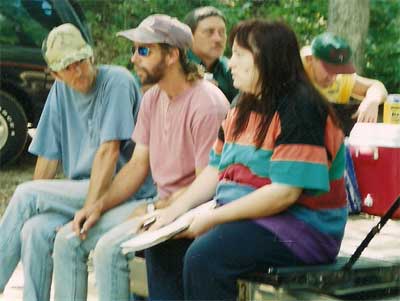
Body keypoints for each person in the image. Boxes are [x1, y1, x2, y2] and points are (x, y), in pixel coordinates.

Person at [143, 20, 348, 300]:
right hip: (249, 215)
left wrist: (213, 218)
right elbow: (216, 168)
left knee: (205, 257)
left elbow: (284, 194)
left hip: (302, 227)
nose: (231, 64)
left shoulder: (301, 107)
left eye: (239, 55)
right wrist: (175, 212)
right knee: (162, 246)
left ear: (266, 58)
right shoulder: (241, 104)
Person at [52, 14, 229, 301]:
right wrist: (98, 206)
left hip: (186, 213)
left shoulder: (206, 103)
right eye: (134, 50)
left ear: (172, 55)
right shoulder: (152, 99)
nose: (134, 58)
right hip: (157, 205)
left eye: (144, 50)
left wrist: (153, 210)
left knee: (110, 250)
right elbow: (136, 166)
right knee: (68, 239)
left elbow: (206, 185)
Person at [0, 23, 155, 301]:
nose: (78, 71)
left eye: (80, 61)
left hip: (120, 189)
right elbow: (48, 158)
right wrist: (41, 213)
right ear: (55, 73)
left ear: (90, 56)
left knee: (25, 195)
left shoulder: (116, 81)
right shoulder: (60, 91)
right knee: (35, 230)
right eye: (67, 67)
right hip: (82, 190)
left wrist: (89, 211)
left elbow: (108, 152)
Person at [301, 32, 387, 133]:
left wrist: (372, 101)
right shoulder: (296, 67)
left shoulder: (342, 78)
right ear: (310, 59)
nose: (333, 78)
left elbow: (377, 86)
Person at [184, 6, 238, 102]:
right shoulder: (175, 67)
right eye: (209, 32)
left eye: (222, 32)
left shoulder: (231, 69)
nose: (218, 39)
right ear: (189, 36)